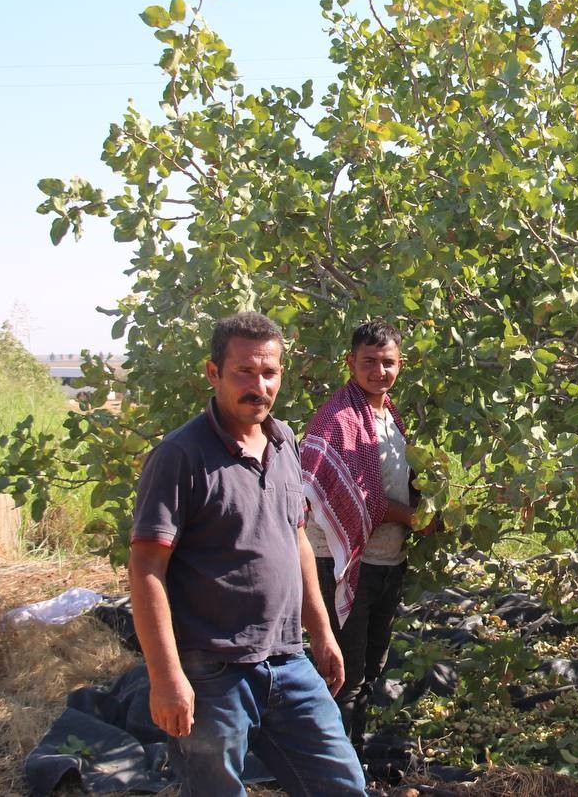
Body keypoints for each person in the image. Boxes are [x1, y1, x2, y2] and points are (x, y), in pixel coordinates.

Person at [128, 311, 365, 796]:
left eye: (270, 372)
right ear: (213, 373)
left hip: (288, 661)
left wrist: (321, 633)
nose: (259, 385)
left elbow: (296, 537)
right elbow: (147, 567)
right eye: (244, 372)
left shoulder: (284, 442)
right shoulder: (181, 456)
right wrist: (166, 676)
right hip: (211, 672)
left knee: (342, 785)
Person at [300, 318, 423, 749]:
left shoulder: (389, 415)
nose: (379, 371)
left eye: (387, 362)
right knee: (342, 677)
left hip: (386, 562)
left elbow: (390, 484)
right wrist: (412, 518)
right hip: (341, 564)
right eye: (369, 362)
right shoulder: (337, 419)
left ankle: (353, 766)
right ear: (350, 363)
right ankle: (334, 773)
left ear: (400, 364)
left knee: (369, 671)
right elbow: (358, 498)